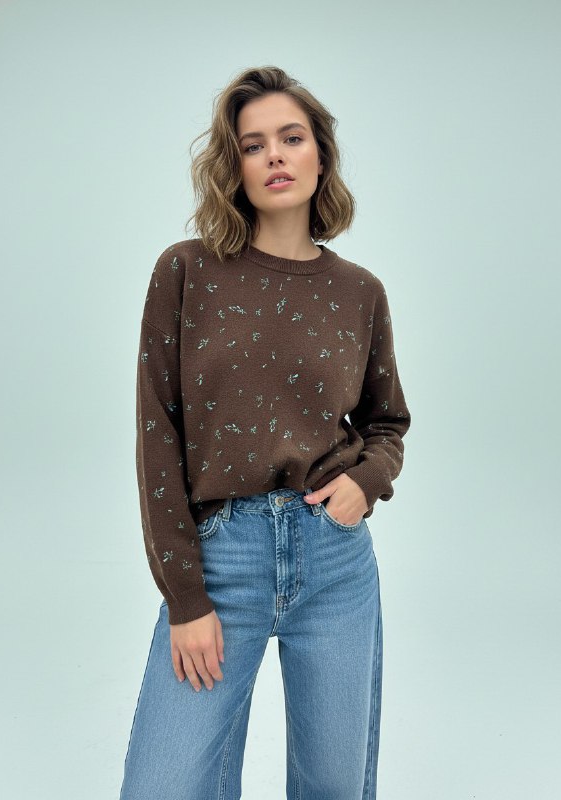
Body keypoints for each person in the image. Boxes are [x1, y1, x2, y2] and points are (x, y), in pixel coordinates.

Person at [119, 65, 411, 800]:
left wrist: (365, 483)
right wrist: (186, 597)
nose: (275, 155)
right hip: (224, 558)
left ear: (321, 155)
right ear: (235, 166)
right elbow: (158, 437)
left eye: (291, 138)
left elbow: (387, 423)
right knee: (163, 785)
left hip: (334, 559)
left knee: (334, 785)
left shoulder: (360, 292)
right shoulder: (187, 272)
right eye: (253, 145)